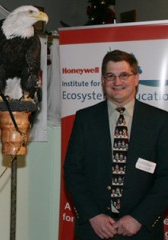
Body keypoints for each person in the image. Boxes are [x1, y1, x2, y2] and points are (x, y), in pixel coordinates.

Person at [64, 49, 168, 239]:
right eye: (110, 76)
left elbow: (166, 176)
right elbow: (72, 171)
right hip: (94, 230)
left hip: (143, 230)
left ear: (136, 78)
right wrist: (93, 216)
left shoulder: (160, 121)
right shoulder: (85, 119)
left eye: (124, 75)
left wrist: (138, 218)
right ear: (103, 81)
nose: (117, 82)